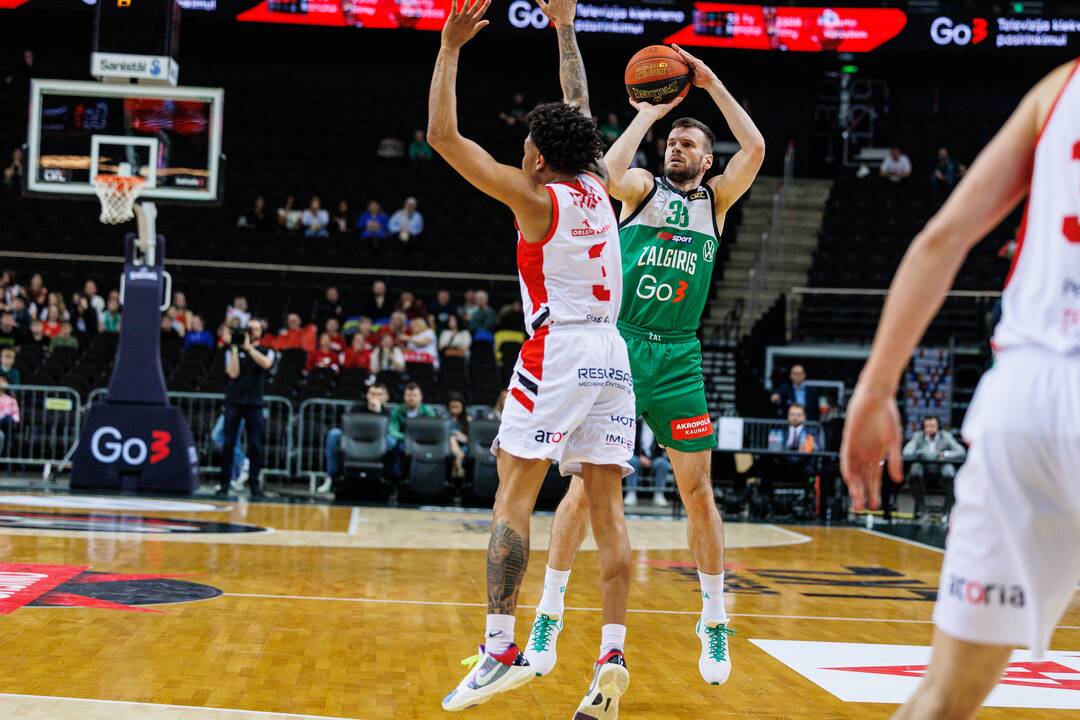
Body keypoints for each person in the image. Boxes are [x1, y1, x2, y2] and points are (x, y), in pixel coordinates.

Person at [841, 58, 1080, 720]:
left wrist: (876, 385)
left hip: (1022, 405)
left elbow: (942, 239)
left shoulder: (1059, 87)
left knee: (942, 698)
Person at [524, 42, 763, 689]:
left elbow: (758, 149)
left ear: (709, 160)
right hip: (622, 346)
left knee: (697, 492)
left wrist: (709, 86)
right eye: (673, 143)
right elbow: (607, 169)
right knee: (586, 488)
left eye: (689, 144)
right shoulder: (639, 190)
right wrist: (649, 114)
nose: (677, 150)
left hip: (679, 354)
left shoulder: (715, 202)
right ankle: (548, 611)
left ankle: (713, 618)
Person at [430, 0, 636, 712]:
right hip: (615, 354)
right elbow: (578, 102)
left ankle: (498, 649)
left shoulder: (536, 197)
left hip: (561, 348)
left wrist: (451, 47)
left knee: (512, 498)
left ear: (538, 156)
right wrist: (565, 26)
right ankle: (612, 651)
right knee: (606, 513)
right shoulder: (601, 186)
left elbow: (443, 136)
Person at [220, 321, 276, 498]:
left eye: (256, 329)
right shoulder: (232, 350)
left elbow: (266, 364)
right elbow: (233, 373)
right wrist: (237, 348)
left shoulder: (267, 351)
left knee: (255, 445)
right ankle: (224, 484)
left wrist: (249, 348)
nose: (253, 332)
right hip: (234, 401)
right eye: (250, 329)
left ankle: (254, 484)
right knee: (228, 443)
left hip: (254, 402)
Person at [885, 415, 966, 522]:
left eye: (932, 426)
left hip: (941, 474)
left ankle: (945, 511)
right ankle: (923, 510)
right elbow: (906, 453)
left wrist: (945, 454)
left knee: (950, 471)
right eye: (926, 426)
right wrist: (918, 452)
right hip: (923, 475)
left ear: (938, 427)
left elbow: (961, 452)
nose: (929, 429)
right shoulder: (918, 436)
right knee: (915, 469)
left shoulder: (946, 437)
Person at [324, 383, 391, 485]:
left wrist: (377, 412)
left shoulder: (387, 412)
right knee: (334, 434)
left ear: (385, 397)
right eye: (372, 394)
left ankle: (390, 479)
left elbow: (387, 432)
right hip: (355, 438)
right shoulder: (357, 408)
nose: (375, 397)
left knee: (392, 442)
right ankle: (331, 476)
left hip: (377, 441)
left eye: (379, 394)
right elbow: (347, 426)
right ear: (367, 395)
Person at [623, 420, 671, 508]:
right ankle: (631, 493)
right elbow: (630, 444)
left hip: (654, 459)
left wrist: (651, 459)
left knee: (663, 463)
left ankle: (659, 494)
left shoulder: (659, 427)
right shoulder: (635, 425)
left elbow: (662, 447)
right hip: (637, 457)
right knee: (632, 461)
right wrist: (640, 456)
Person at [446, 391, 470, 479]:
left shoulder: (468, 419)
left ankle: (457, 463)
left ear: (462, 407)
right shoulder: (445, 419)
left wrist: (463, 437)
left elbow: (473, 438)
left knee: (460, 444)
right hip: (448, 444)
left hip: (464, 445)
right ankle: (458, 464)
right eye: (452, 407)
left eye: (457, 407)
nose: (455, 410)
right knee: (452, 439)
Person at [0, 376, 18, 455]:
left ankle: (10, 444)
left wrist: (14, 421)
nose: (1, 383)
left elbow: (15, 415)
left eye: (3, 381)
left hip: (6, 424)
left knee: (9, 419)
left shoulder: (11, 400)